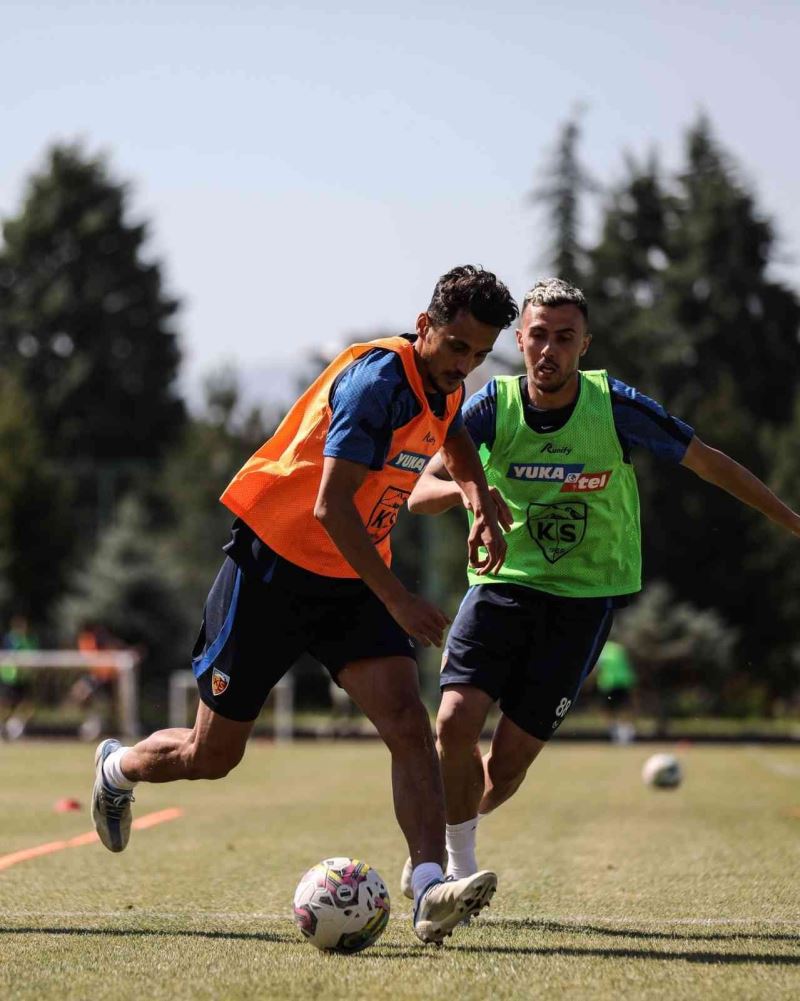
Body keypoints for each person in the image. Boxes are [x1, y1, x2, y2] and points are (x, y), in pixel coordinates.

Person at [90, 265, 519, 945]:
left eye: (479, 353)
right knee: (211, 754)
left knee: (408, 722)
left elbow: (454, 437)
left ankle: (429, 885)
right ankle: (118, 769)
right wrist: (400, 600)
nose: (464, 364)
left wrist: (476, 498)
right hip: (272, 572)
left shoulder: (445, 385)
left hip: (349, 582)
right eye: (457, 346)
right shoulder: (378, 384)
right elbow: (330, 507)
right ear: (425, 326)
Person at [399, 276, 800, 895]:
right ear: (519, 340)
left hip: (583, 601)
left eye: (565, 337)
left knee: (506, 767)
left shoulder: (613, 406)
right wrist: (472, 495)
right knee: (453, 721)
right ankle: (453, 870)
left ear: (585, 345)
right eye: (538, 335)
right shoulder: (491, 407)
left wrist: (792, 523)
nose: (549, 349)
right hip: (502, 584)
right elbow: (420, 493)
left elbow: (709, 462)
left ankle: (447, 844)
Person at [0, 614, 38, 740]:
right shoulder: (9, 640)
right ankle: (4, 727)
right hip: (10, 678)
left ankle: (15, 726)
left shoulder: (29, 640)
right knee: (6, 706)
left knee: (28, 707)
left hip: (24, 679)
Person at [595, 638, 638, 744]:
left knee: (609, 709)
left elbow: (597, 667)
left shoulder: (601, 649)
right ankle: (624, 731)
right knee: (623, 707)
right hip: (621, 682)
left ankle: (618, 731)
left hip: (610, 683)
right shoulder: (619, 648)